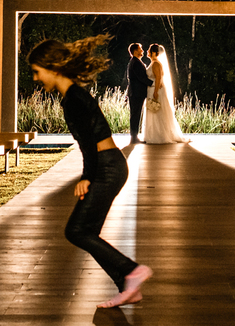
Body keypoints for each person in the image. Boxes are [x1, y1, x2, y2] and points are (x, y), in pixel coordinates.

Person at [29, 35, 153, 308]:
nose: (36, 78)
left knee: (76, 230)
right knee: (86, 231)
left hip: (107, 165)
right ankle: (127, 286)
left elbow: (90, 141)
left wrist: (87, 176)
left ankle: (131, 270)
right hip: (111, 164)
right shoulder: (72, 95)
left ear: (53, 67)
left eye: (38, 72)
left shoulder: (73, 97)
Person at [140, 43, 189, 144]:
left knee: (157, 111)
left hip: (155, 90)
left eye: (149, 50)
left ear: (154, 53)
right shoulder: (153, 63)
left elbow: (158, 78)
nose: (147, 52)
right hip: (152, 89)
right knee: (153, 111)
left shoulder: (156, 64)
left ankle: (159, 135)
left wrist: (156, 91)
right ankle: (152, 134)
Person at [125, 42, 153, 144]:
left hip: (136, 92)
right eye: (140, 48)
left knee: (136, 114)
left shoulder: (135, 61)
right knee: (135, 115)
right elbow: (141, 78)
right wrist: (152, 83)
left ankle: (134, 136)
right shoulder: (135, 62)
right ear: (135, 51)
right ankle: (134, 138)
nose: (142, 50)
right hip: (136, 93)